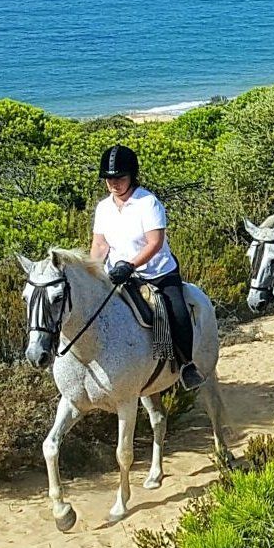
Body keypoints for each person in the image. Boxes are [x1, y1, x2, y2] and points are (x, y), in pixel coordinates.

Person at [90, 145, 204, 390]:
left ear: (132, 176)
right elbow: (99, 245)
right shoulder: (103, 208)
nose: (114, 183)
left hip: (157, 274)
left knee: (178, 312)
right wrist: (94, 272)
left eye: (119, 178)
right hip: (118, 276)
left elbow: (155, 242)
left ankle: (187, 365)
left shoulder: (148, 202)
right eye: (109, 179)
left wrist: (130, 265)